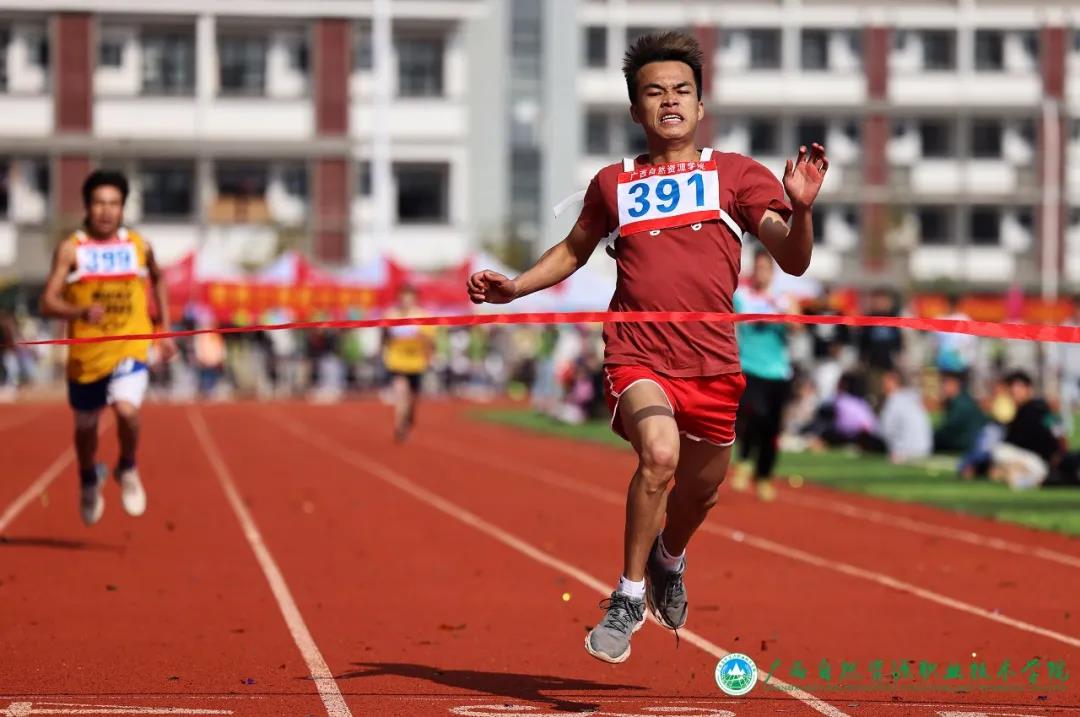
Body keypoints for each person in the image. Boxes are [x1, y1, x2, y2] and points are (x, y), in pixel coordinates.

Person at [467, 31, 827, 663]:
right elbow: (574, 251)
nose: (670, 101)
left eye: (682, 90)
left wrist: (800, 211)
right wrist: (515, 287)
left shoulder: (735, 174)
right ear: (636, 109)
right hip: (638, 352)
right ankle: (629, 596)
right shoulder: (614, 183)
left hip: (713, 362)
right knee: (659, 457)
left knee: (701, 493)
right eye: (655, 92)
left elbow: (793, 261)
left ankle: (669, 558)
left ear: (700, 104)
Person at [39, 170, 177, 525]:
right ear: (87, 206)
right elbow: (47, 302)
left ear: (123, 208)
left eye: (114, 204)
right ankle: (88, 477)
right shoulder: (72, 249)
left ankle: (127, 467)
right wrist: (79, 311)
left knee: (127, 411)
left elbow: (159, 279)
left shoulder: (139, 245)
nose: (106, 211)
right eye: (99, 203)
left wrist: (164, 329)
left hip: (130, 345)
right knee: (86, 429)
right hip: (87, 356)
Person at [730, 250, 796, 501]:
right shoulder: (742, 297)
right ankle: (745, 460)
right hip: (749, 366)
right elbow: (729, 324)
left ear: (772, 272)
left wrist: (779, 313)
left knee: (772, 426)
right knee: (751, 414)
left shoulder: (783, 299)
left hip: (777, 371)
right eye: (757, 268)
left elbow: (797, 327)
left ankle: (764, 475)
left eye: (765, 269)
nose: (761, 273)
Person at [990, 369, 1065, 490]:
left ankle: (1024, 478)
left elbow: (1057, 433)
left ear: (1028, 389)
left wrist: (1059, 453)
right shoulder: (1021, 411)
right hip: (1034, 460)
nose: (1015, 392)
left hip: (1040, 462)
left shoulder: (1036, 409)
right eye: (1012, 389)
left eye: (1019, 388)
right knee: (999, 452)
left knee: (1000, 451)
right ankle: (1016, 474)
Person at [381, 285, 434, 442]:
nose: (406, 300)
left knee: (413, 398)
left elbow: (428, 339)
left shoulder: (423, 316)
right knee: (400, 392)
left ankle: (409, 416)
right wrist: (383, 349)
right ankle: (399, 425)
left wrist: (428, 356)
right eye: (403, 296)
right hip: (396, 360)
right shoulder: (390, 314)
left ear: (415, 299)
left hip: (416, 362)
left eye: (409, 297)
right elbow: (384, 335)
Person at [878, 369, 932, 464]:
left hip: (904, 451)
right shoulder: (912, 397)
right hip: (925, 449)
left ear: (894, 383)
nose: (882, 386)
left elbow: (885, 431)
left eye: (885, 382)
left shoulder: (893, 400)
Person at [933, 370, 986, 455]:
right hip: (970, 444)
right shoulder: (963, 399)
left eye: (944, 383)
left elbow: (949, 431)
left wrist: (930, 436)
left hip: (965, 446)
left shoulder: (960, 403)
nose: (942, 388)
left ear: (954, 384)